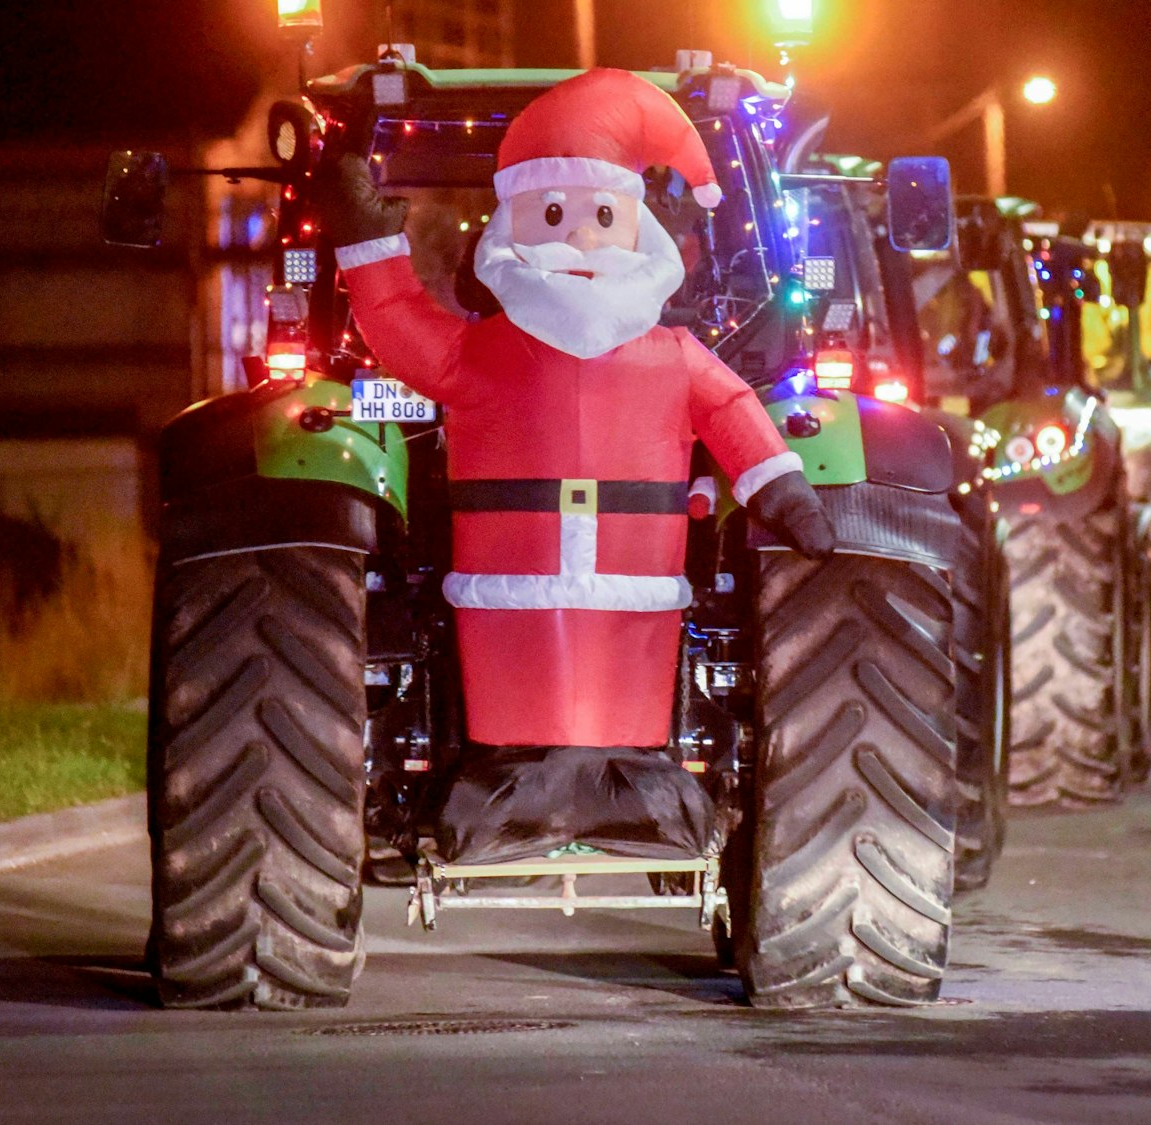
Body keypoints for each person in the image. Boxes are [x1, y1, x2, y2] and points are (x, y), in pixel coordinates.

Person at [318, 69, 834, 863]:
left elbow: (735, 414)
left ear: (638, 228)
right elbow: (732, 411)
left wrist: (784, 487)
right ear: (517, 225)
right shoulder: (632, 354)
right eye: (554, 216)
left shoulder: (632, 354)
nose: (579, 239)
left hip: (598, 592)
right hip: (556, 598)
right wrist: (371, 248)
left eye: (599, 216)